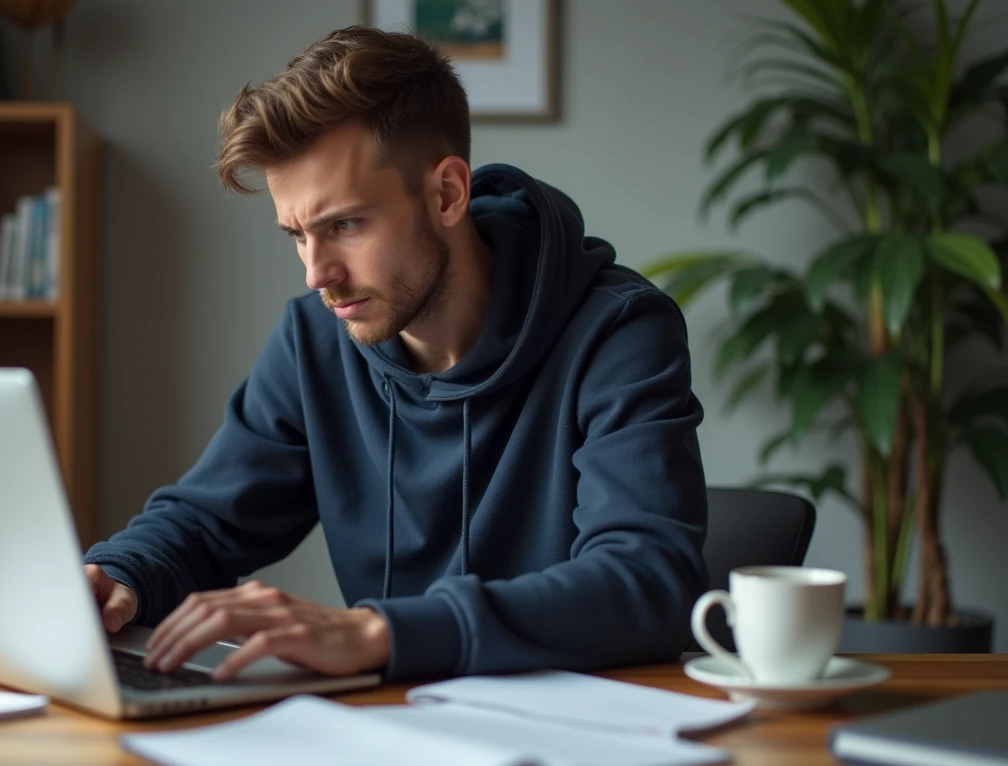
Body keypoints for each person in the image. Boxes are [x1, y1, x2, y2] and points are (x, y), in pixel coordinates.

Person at [84, 25, 709, 684]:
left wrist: (380, 631)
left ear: (447, 194)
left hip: (577, 744)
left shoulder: (617, 331)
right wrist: (119, 574)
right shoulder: (315, 340)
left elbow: (649, 580)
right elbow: (206, 522)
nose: (316, 273)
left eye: (344, 226)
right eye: (297, 234)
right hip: (390, 737)